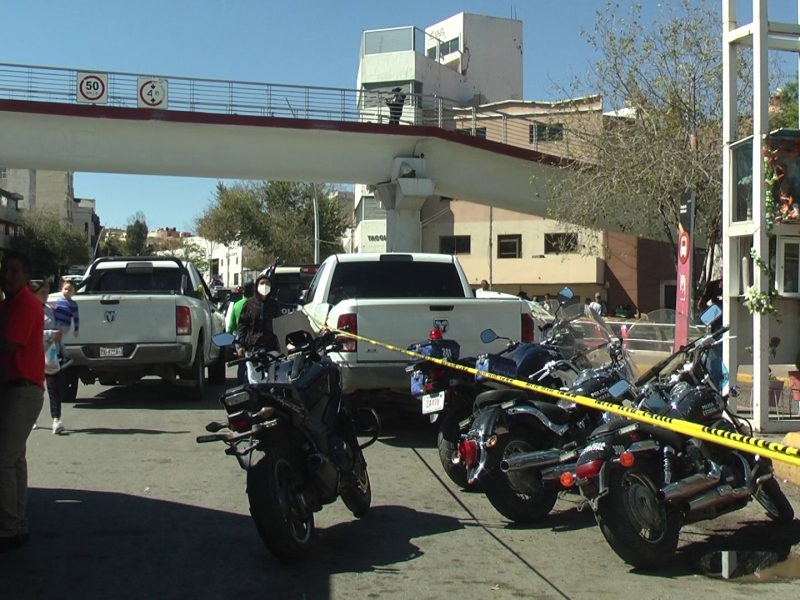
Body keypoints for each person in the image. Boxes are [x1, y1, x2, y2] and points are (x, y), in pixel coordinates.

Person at [0, 251, 45, 553]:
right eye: (5, 270)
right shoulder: (9, 305)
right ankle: (16, 523)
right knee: (14, 458)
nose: (7, 275)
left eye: (15, 271)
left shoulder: (26, 305)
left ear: (27, 277)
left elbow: (7, 345)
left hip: (23, 389)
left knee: (3, 459)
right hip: (16, 388)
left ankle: (8, 527)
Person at [31, 280, 66, 435]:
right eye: (42, 293)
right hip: (32, 356)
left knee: (54, 387)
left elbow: (57, 331)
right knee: (34, 390)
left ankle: (56, 419)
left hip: (50, 355)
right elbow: (31, 334)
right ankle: (31, 418)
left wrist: (62, 351)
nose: (46, 296)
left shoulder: (49, 310)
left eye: (47, 292)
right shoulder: (28, 311)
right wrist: (51, 334)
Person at [237, 271, 280, 360]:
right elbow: (243, 325)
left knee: (271, 374)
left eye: (267, 284)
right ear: (256, 286)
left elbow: (281, 326)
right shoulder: (249, 304)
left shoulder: (274, 305)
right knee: (254, 374)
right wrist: (241, 345)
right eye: (262, 283)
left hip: (271, 351)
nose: (264, 286)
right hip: (252, 351)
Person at [227, 280, 255, 384]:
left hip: (240, 338)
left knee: (242, 364)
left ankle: (241, 386)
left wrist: (228, 344)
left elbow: (231, 327)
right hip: (254, 337)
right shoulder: (258, 305)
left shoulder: (237, 305)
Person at [53, 278, 79, 366]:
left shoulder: (73, 304)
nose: (67, 291)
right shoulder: (59, 300)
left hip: (64, 325)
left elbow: (76, 317)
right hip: (57, 324)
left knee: (57, 339)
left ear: (74, 292)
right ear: (61, 289)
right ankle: (63, 356)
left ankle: (59, 356)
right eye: (65, 289)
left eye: (70, 290)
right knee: (56, 340)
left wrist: (76, 329)